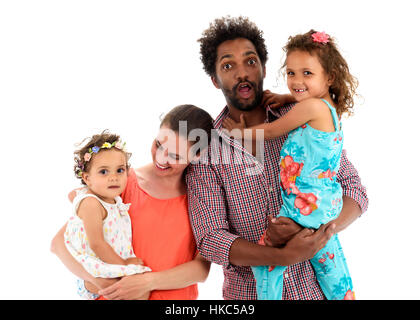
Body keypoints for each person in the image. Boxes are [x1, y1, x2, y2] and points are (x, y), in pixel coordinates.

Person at [186, 16, 368, 300]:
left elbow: (354, 190)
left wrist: (311, 228)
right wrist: (279, 256)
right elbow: (211, 239)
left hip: (315, 291)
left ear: (263, 68)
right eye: (227, 66)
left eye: (250, 61)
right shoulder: (206, 149)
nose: (242, 73)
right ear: (214, 79)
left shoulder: (303, 119)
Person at [51, 104, 213, 300]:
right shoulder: (122, 184)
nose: (161, 158)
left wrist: (147, 282)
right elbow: (59, 244)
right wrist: (98, 282)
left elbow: (201, 269)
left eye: (174, 155)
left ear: (198, 155)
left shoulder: (203, 199)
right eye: (159, 145)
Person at [65, 131, 151, 298]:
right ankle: (91, 285)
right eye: (104, 172)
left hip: (109, 263)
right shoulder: (91, 203)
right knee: (137, 292)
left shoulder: (114, 200)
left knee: (142, 289)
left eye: (120, 170)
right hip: (96, 268)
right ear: (87, 178)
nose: (113, 177)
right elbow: (96, 243)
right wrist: (124, 265)